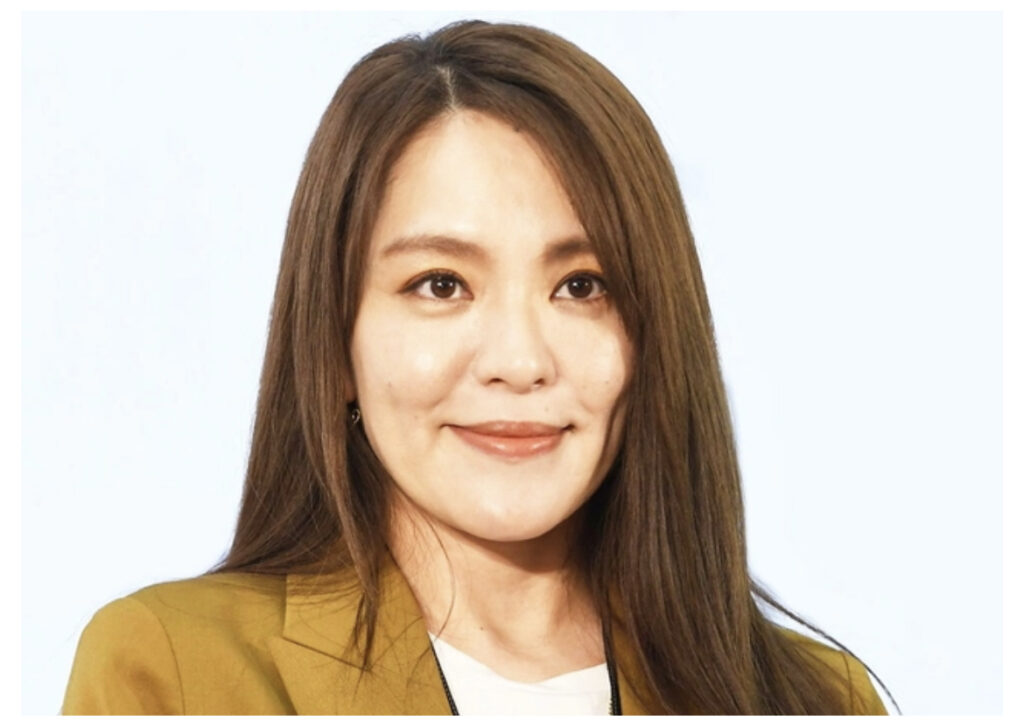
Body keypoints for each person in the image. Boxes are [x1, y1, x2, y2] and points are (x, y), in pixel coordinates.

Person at [62, 20, 896, 715]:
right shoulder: (177, 671)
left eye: (582, 286)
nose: (520, 362)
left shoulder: (822, 700)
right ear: (335, 345)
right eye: (441, 284)